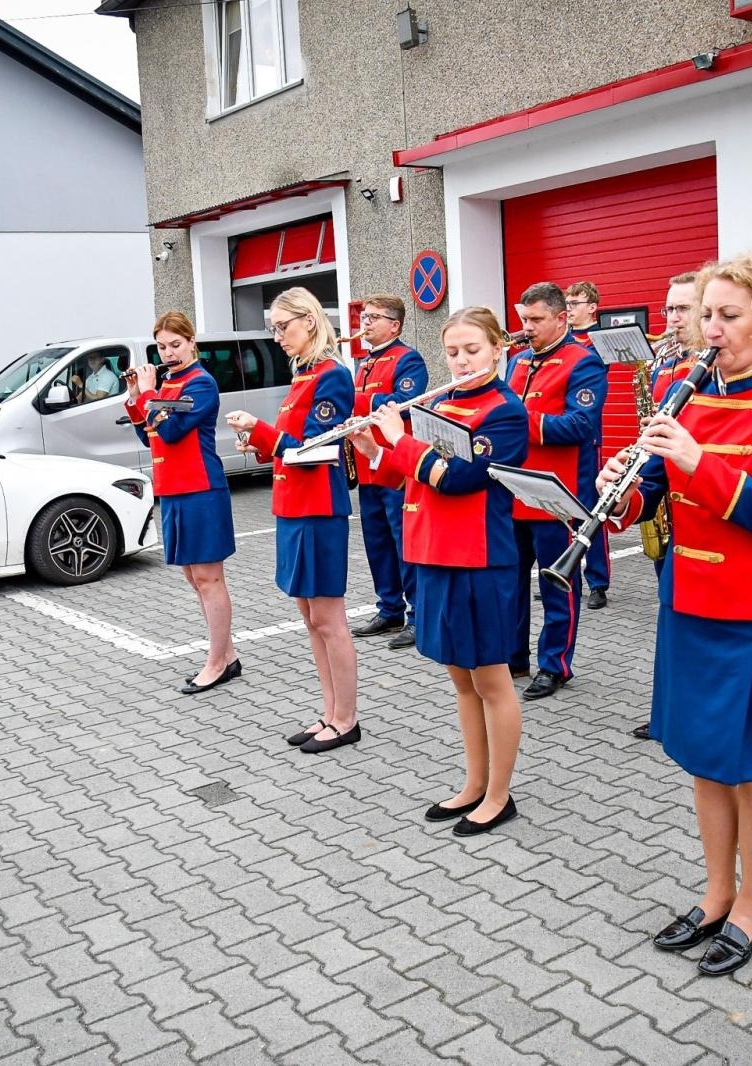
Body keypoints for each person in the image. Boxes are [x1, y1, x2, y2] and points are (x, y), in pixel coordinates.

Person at [601, 251, 752, 977]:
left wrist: (700, 460)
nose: (711, 329)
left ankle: (751, 908)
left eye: (729, 315)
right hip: (689, 603)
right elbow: (656, 497)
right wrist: (616, 499)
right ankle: (713, 894)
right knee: (706, 766)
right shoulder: (680, 391)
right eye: (706, 314)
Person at [348, 306, 530, 835]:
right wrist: (373, 451)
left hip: (479, 558)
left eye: (473, 350)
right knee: (460, 681)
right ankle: (474, 783)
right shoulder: (441, 402)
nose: (461, 360)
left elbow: (461, 478)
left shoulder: (506, 411)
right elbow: (415, 478)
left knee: (492, 680)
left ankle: (500, 794)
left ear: (498, 349)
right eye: (452, 352)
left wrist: (399, 441)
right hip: (431, 552)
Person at [225, 289, 360, 754]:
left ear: (309, 320)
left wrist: (264, 432)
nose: (278, 336)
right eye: (274, 328)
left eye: (284, 326)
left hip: (318, 507)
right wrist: (261, 443)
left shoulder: (333, 375)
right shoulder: (304, 374)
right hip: (293, 505)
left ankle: (347, 719)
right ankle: (329, 711)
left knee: (328, 617)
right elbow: (294, 443)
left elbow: (322, 447)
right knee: (309, 617)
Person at [126, 311, 240, 694]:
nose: (168, 352)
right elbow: (151, 437)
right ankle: (229, 653)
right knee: (193, 576)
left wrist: (146, 395)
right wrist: (134, 399)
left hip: (200, 488)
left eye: (175, 345)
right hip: (172, 487)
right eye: (161, 346)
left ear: (192, 343)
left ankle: (216, 662)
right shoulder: (166, 384)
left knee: (209, 577)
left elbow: (172, 431)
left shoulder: (201, 383)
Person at [507, 282, 607, 699]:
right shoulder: (516, 360)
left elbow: (581, 426)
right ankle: (512, 656)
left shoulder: (584, 362)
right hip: (513, 490)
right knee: (510, 583)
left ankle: (555, 665)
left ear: (562, 318)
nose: (526, 328)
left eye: (535, 320)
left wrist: (517, 420)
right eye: (523, 319)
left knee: (556, 586)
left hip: (558, 494)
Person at [629, 271, 702, 742]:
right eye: (668, 309)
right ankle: (666, 711)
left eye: (682, 309)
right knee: (668, 615)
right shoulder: (664, 363)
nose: (671, 319)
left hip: (699, 506)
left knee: (692, 622)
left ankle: (687, 711)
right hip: (664, 501)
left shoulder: (713, 372)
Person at [346, 294, 427, 650]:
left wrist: (359, 403)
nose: (365, 323)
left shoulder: (408, 358)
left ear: (394, 325)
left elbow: (404, 404)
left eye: (374, 317)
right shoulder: (364, 363)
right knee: (377, 544)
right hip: (366, 467)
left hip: (394, 465)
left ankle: (417, 616)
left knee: (403, 544)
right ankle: (389, 607)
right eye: (364, 317)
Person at [565, 280, 612, 609]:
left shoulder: (598, 342)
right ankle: (565, 573)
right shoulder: (563, 340)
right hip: (560, 441)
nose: (568, 307)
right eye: (565, 302)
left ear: (592, 307)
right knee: (562, 510)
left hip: (586, 438)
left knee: (591, 508)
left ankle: (598, 581)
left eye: (575, 302)